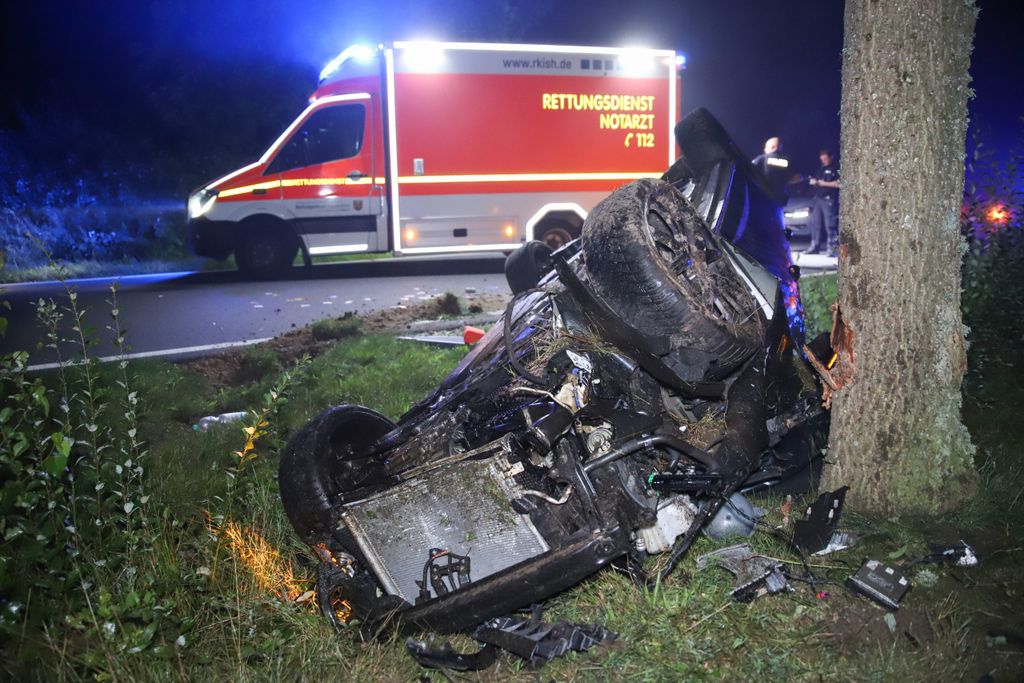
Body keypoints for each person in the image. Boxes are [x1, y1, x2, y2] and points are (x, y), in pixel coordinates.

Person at [806, 148, 840, 255]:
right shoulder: (820, 168)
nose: (823, 161)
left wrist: (822, 183)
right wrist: (814, 182)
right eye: (822, 159)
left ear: (831, 157)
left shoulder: (836, 168)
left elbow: (838, 183)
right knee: (815, 224)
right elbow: (816, 180)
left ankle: (832, 248)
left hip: (829, 199)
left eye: (825, 159)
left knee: (830, 225)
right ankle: (814, 246)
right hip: (817, 200)